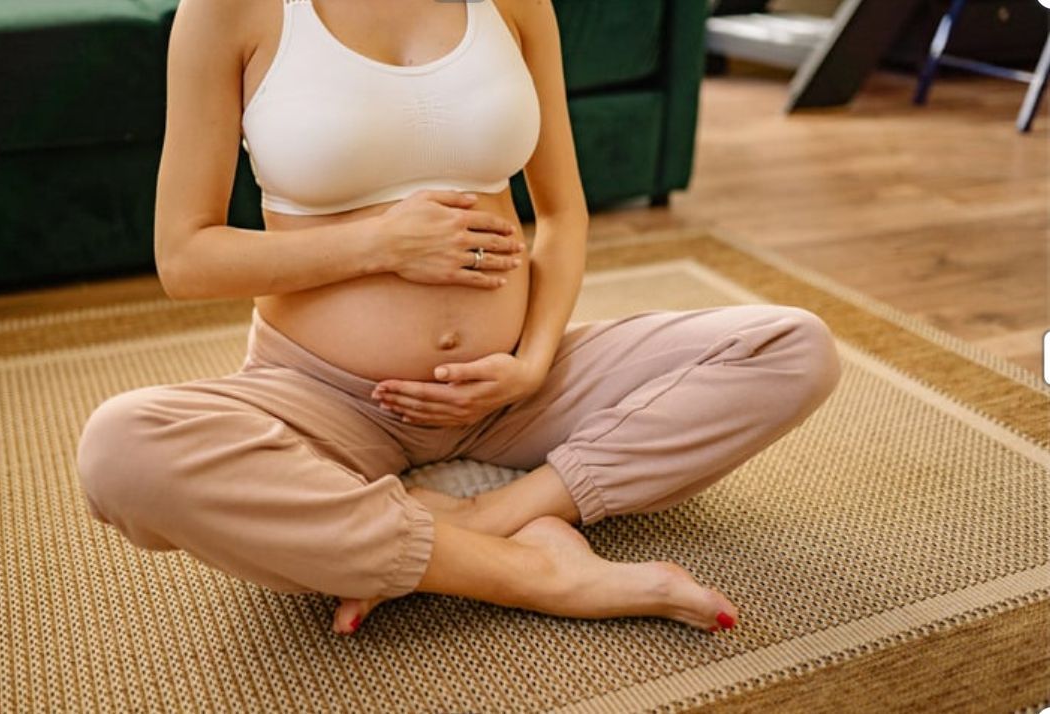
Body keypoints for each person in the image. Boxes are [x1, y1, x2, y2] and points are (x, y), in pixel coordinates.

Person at [76, 0, 842, 636]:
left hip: (512, 390)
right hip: (327, 402)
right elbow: (185, 258)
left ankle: (482, 511)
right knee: (122, 449)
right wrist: (379, 244)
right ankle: (531, 572)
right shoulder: (232, 11)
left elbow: (564, 215)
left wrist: (533, 362)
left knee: (791, 348)